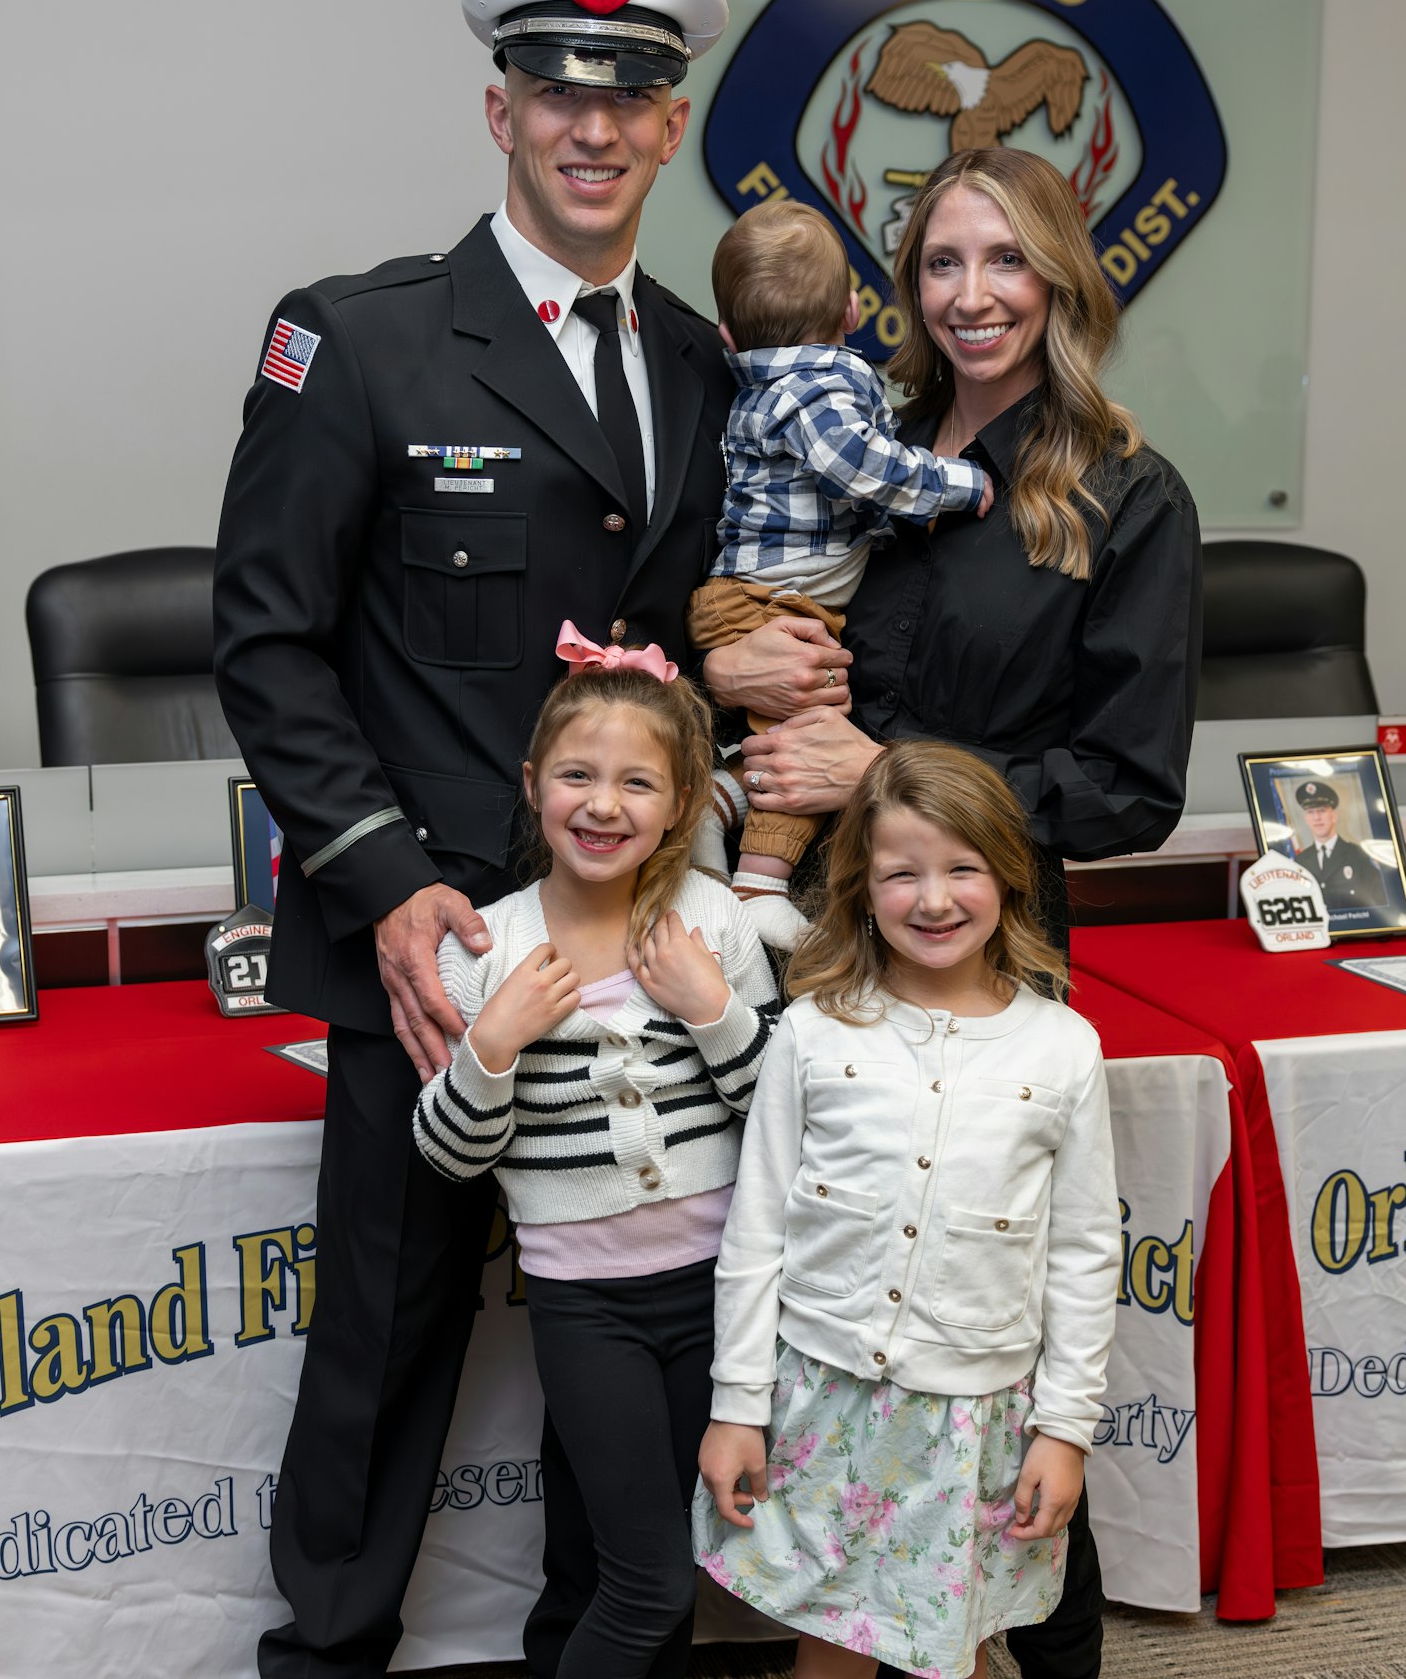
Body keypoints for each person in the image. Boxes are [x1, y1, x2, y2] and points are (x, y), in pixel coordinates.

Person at [212, 0, 839, 1679]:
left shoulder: (713, 371)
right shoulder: (361, 340)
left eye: (629, 93)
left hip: (645, 961)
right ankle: (325, 1659)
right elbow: (267, 646)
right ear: (498, 106)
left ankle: (594, 1649)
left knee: (626, 1350)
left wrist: (776, 683)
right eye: (559, 87)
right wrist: (390, 887)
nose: (592, 122)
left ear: (670, 126)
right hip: (435, 962)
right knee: (385, 1353)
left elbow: (677, 652)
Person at [734, 146, 1202, 1678]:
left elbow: (1126, 787)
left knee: (983, 1316)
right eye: (941, 263)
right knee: (824, 1283)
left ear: (1062, 277)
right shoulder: (850, 443)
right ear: (906, 289)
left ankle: (1041, 1648)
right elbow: (768, 611)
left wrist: (896, 773)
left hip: (988, 956)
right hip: (812, 935)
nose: (972, 294)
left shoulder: (1125, 494)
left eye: (1004, 261)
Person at [693, 741, 1119, 1678]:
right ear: (860, 886)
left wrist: (1066, 1429)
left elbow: (1085, 1253)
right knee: (830, 1638)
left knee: (941, 1645)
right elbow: (757, 1228)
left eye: (963, 868)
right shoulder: (810, 1032)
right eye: (902, 874)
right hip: (825, 1396)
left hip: (974, 1417)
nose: (933, 900)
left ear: (1009, 878)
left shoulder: (1063, 1047)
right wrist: (736, 1407)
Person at [414, 642, 778, 1676]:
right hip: (589, 1304)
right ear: (533, 788)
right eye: (577, 774)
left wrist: (712, 1012)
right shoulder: (483, 945)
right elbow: (450, 1155)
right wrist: (493, 1044)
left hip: (725, 1289)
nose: (603, 803)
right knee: (647, 1579)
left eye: (636, 782)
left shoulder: (713, 920)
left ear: (682, 800)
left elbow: (785, 1118)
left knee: (664, 1556)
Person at [685, 199, 992, 950]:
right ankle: (758, 885)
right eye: (945, 262)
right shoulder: (818, 387)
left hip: (754, 597)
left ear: (727, 334)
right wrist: (959, 484)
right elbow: (858, 468)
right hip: (772, 603)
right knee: (814, 732)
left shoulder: (758, 383)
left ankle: (717, 802)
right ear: (855, 309)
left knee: (798, 733)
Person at [1286, 778, 1389, 912]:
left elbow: (1379, 902)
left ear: (1334, 816)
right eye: (1310, 812)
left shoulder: (1359, 855)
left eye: (1322, 810)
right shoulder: (1300, 861)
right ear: (1306, 819)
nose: (1316, 817)